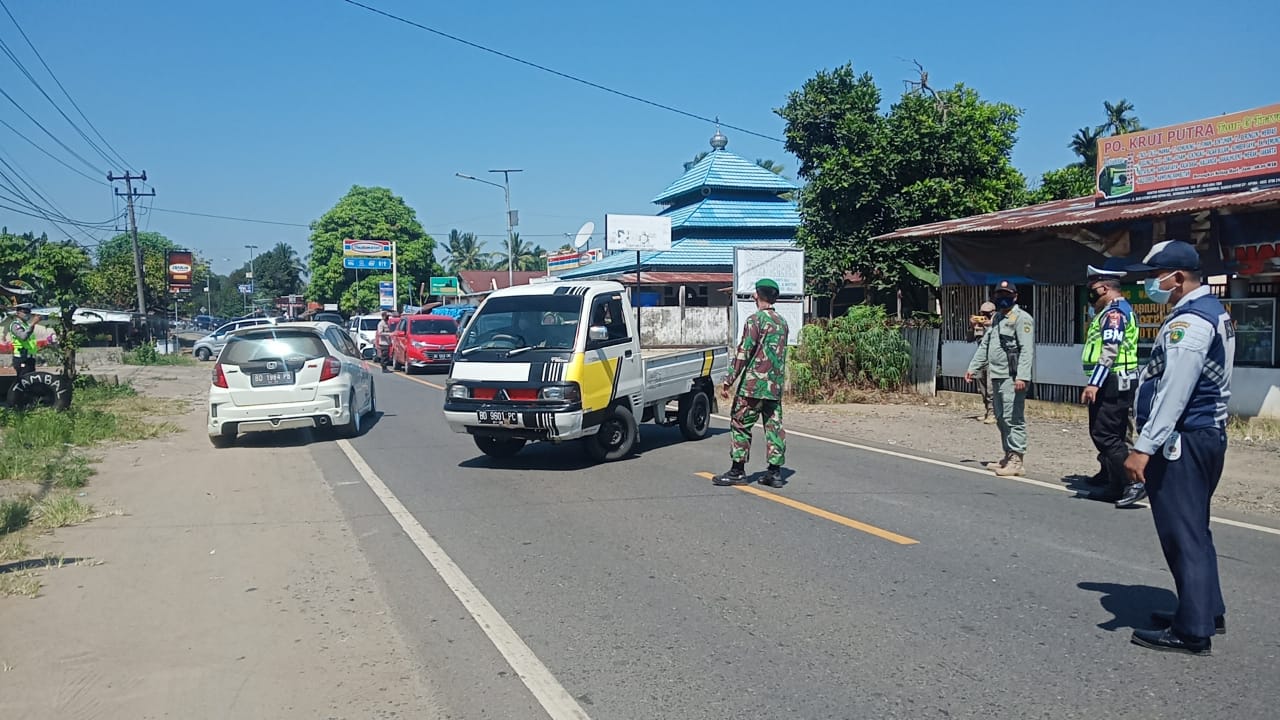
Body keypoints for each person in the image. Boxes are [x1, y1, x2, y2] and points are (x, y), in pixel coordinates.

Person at [1123, 240, 1233, 656]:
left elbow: (1175, 390)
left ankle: (1192, 632)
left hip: (1182, 439)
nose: (1153, 284)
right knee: (1195, 530)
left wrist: (1143, 446)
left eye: (1156, 277)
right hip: (1204, 435)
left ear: (1179, 277)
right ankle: (1205, 610)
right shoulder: (1213, 313)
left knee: (1182, 534)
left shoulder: (1191, 323)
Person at [713, 278, 789, 488]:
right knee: (774, 427)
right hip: (774, 387)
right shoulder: (782, 322)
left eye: (755, 293)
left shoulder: (755, 320)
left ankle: (737, 470)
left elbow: (743, 352)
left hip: (753, 386)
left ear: (758, 295)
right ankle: (774, 473)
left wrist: (729, 380)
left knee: (740, 424)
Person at [1080, 265, 1144, 508]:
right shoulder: (1113, 311)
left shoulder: (1114, 314)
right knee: (1113, 434)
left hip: (1113, 381)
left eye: (1092, 288)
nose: (1090, 293)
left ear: (1104, 287)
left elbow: (1110, 350)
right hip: (1115, 379)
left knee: (1105, 434)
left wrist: (1094, 383)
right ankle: (1115, 485)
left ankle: (1133, 482)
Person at [964, 280, 1035, 477]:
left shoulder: (1022, 319)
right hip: (996, 374)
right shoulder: (996, 319)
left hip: (1012, 377)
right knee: (1001, 418)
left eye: (1007, 294)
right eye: (999, 294)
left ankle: (1017, 460)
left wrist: (1022, 375)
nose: (1003, 297)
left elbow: (1027, 350)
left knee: (1014, 418)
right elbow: (986, 345)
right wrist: (973, 367)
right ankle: (1007, 455)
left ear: (1015, 296)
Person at [970, 301, 997, 423]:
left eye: (987, 314)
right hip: (982, 360)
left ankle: (993, 413)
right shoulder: (980, 325)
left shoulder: (998, 323)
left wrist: (991, 324)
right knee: (982, 388)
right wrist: (973, 326)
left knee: (991, 388)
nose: (984, 316)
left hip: (994, 359)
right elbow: (970, 339)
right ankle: (987, 411)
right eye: (983, 313)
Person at [8, 303, 41, 378]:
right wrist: (33, 324)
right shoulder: (15, 325)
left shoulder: (26, 325)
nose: (28, 314)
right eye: (25, 312)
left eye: (29, 312)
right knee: (24, 381)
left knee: (31, 382)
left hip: (30, 358)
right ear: (18, 313)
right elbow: (23, 336)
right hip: (21, 358)